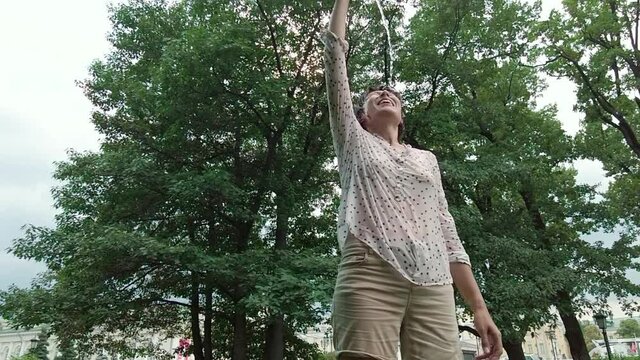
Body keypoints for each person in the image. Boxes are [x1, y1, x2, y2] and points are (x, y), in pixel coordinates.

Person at [322, 1, 503, 359]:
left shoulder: (426, 160)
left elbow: (448, 233)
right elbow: (333, 60)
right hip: (369, 272)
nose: (384, 94)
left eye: (393, 95)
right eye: (374, 95)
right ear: (361, 116)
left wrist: (478, 307)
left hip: (435, 283)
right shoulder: (354, 143)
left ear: (402, 116)